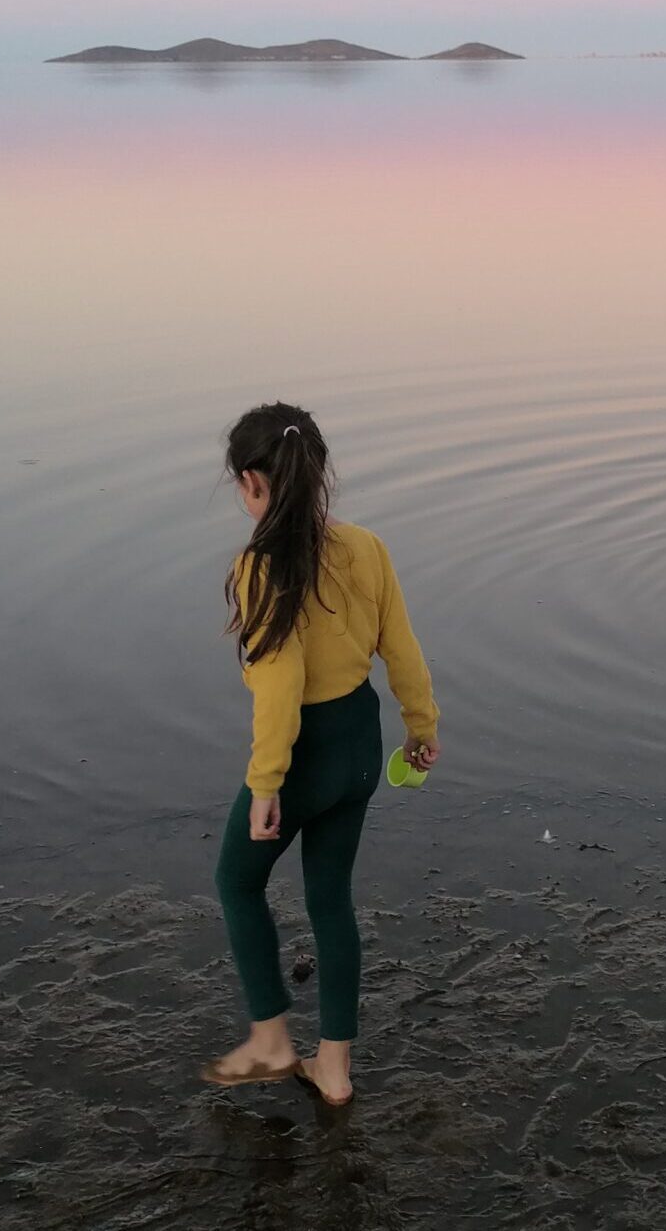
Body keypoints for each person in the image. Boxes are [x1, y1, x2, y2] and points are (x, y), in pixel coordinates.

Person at [201, 402, 440, 1106]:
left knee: (237, 882)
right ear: (318, 472)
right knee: (329, 898)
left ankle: (272, 1040)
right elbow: (402, 648)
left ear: (252, 482)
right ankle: (333, 1067)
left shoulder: (260, 567)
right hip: (361, 748)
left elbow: (279, 685)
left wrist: (267, 783)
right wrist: (421, 730)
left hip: (303, 755)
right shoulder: (366, 547)